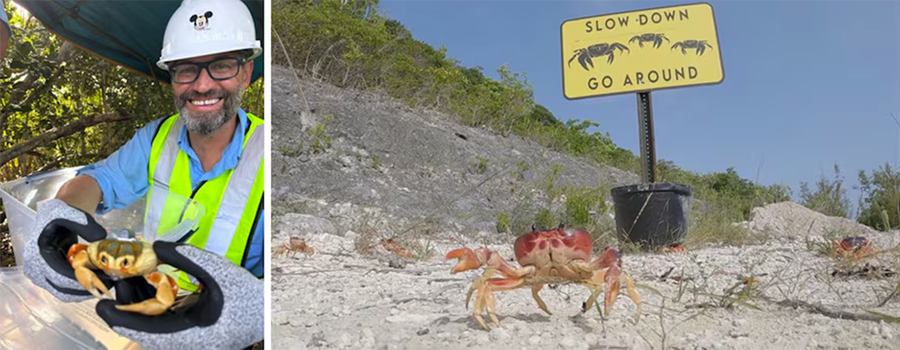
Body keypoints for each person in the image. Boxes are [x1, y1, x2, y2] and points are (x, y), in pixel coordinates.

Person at [22, 0, 264, 349]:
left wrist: (259, 310)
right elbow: (99, 180)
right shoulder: (155, 138)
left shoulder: (271, 152)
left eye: (222, 66)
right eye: (185, 69)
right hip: (145, 312)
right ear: (172, 77)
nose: (202, 85)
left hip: (229, 337)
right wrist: (61, 212)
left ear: (245, 72)